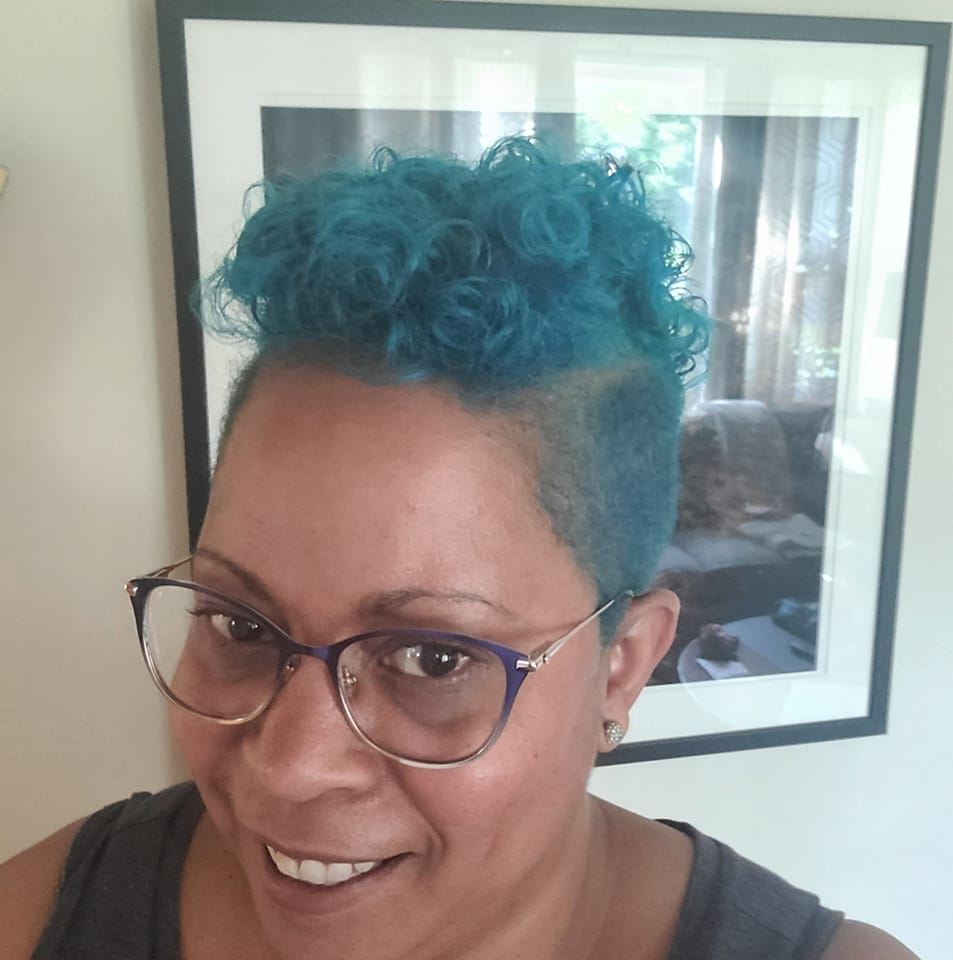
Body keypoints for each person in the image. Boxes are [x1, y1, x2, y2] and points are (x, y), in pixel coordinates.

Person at [1, 138, 915, 959]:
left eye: (433, 657)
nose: (290, 763)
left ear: (620, 669)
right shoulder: (40, 917)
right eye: (238, 625)